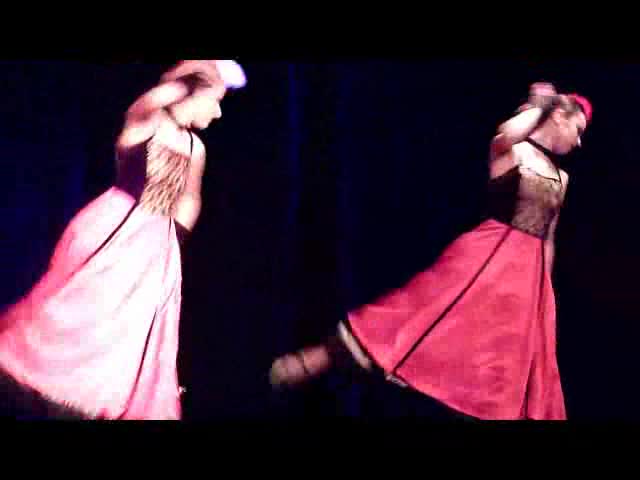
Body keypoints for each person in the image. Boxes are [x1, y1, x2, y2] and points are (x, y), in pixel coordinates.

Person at [270, 82, 592, 420]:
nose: (579, 141)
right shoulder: (512, 151)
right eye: (578, 129)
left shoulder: (562, 178)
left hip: (526, 282)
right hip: (487, 260)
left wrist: (544, 296)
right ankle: (314, 360)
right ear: (559, 116)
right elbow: (505, 134)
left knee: (505, 366)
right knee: (414, 317)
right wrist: (540, 106)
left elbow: (548, 239)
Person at [0, 60, 246, 420]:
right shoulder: (148, 122)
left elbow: (190, 197)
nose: (218, 112)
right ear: (191, 93)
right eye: (215, 100)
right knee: (87, 306)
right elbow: (146, 104)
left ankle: (102, 394)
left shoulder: (196, 148)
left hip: (155, 247)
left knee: (130, 325)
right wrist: (189, 80)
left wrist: (174, 240)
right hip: (116, 228)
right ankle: (51, 376)